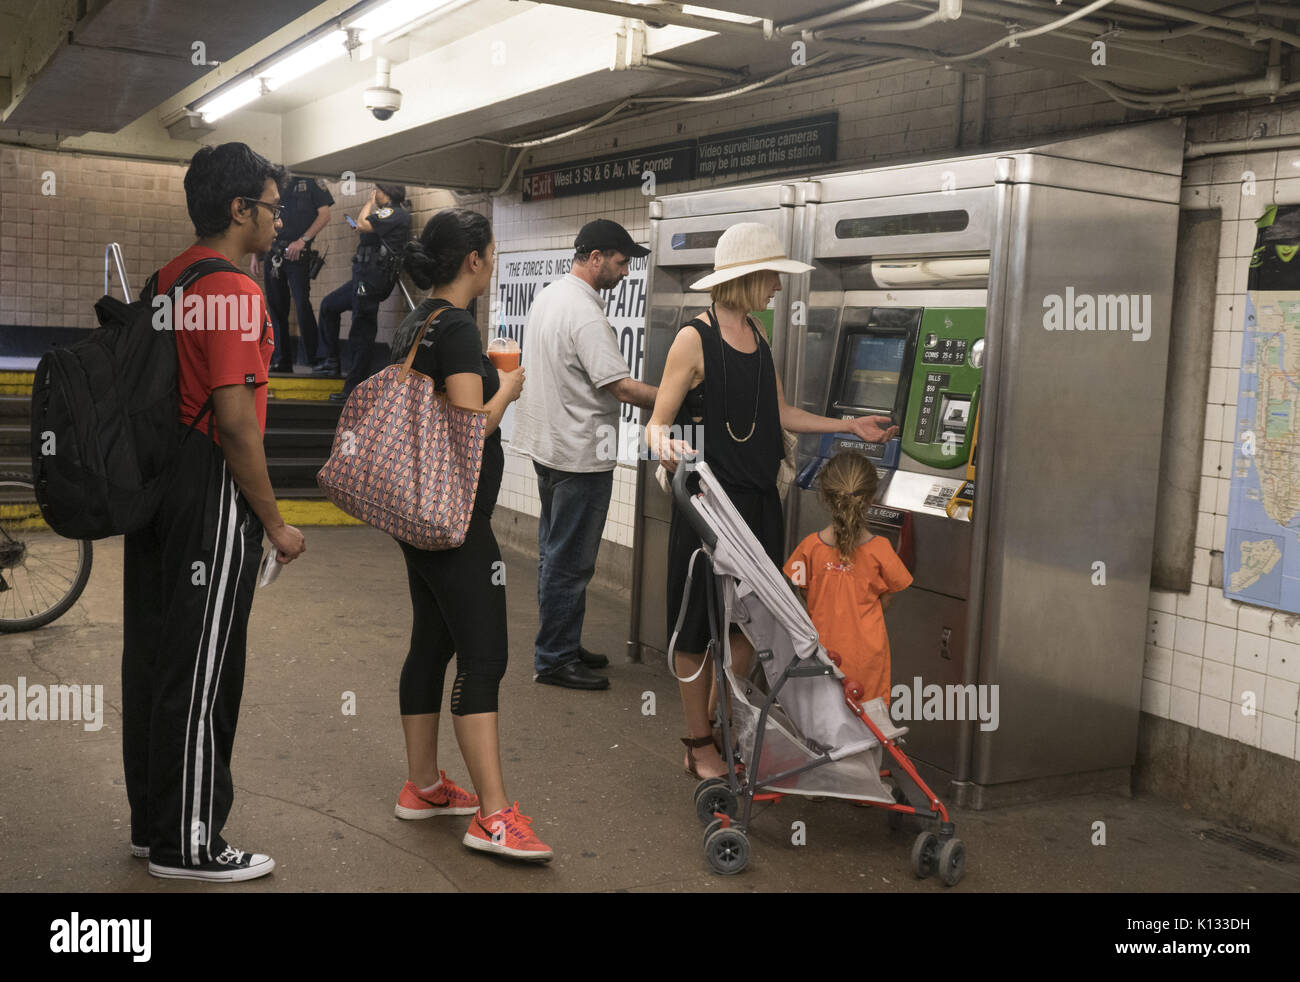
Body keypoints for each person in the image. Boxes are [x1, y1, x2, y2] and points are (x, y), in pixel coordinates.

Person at [648, 222, 898, 781]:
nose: (779, 289)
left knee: (748, 631)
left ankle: (718, 729)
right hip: (709, 509)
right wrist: (665, 445)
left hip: (760, 505)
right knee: (694, 631)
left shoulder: (760, 337)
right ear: (748, 277)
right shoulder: (695, 339)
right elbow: (655, 423)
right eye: (773, 278)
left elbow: (781, 414)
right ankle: (697, 742)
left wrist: (848, 426)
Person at [123, 142, 307, 882]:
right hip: (209, 490)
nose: (278, 219)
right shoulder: (236, 290)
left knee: (158, 659)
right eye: (271, 206)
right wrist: (274, 523)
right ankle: (190, 842)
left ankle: (154, 823)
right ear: (239, 210)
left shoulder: (167, 278)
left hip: (157, 488)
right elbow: (236, 423)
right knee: (203, 672)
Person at [387, 207, 553, 862]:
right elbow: (464, 430)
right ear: (475, 261)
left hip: (416, 515)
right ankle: (493, 817)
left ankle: (423, 785)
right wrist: (505, 389)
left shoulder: (415, 322)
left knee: (431, 643)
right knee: (484, 657)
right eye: (493, 252)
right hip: (455, 523)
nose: (494, 261)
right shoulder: (455, 329)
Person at [510, 220, 658, 691]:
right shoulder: (587, 314)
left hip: (549, 447)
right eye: (620, 262)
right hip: (579, 455)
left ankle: (562, 644)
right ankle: (553, 658)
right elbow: (620, 386)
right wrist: (682, 396)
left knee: (555, 554)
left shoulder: (551, 296)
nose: (625, 272)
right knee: (570, 561)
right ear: (594, 257)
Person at [783, 451, 911, 706]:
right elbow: (886, 602)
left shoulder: (808, 549)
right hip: (867, 660)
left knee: (822, 723)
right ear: (872, 498)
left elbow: (805, 596)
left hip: (820, 656)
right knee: (867, 725)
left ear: (825, 497)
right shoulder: (882, 551)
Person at [316, 183, 411, 397]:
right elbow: (363, 226)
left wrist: (369, 201)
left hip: (371, 281)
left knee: (361, 331)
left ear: (385, 193)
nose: (374, 194)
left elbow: (362, 224)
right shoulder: (386, 215)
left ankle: (353, 390)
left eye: (376, 190)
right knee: (329, 306)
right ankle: (331, 361)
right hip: (362, 279)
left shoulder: (393, 212)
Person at [251, 172, 332, 372]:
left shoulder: (312, 180)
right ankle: (281, 360)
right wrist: (257, 253)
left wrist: (303, 240)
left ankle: (316, 359)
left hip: (298, 253)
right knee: (277, 308)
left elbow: (325, 215)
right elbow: (263, 216)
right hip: (273, 251)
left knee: (302, 303)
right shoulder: (272, 182)